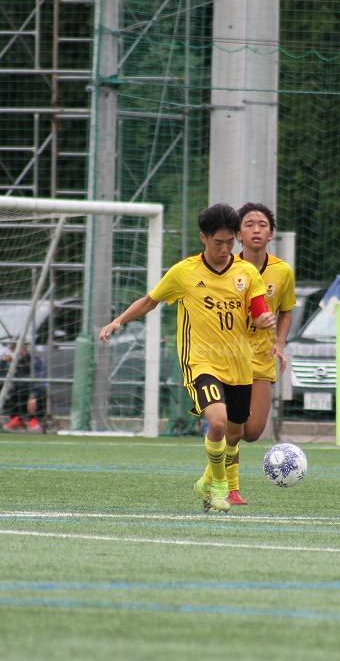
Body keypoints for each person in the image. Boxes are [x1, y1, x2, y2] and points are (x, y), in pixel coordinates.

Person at [99, 203, 275, 512]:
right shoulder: (185, 272)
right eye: (218, 242)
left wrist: (263, 321)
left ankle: (205, 481)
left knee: (234, 434)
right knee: (217, 423)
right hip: (201, 362)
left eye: (229, 242)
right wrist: (118, 321)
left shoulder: (246, 273)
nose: (225, 249)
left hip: (239, 364)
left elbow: (258, 312)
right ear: (203, 238)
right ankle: (218, 489)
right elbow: (150, 300)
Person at [218, 202, 296, 505]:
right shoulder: (227, 268)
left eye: (262, 224)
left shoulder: (282, 271)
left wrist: (280, 343)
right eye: (249, 224)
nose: (256, 229)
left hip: (262, 357)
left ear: (271, 233)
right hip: (229, 357)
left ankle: (221, 467)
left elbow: (286, 310)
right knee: (231, 427)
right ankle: (229, 486)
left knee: (251, 431)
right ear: (238, 234)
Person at [0, 343, 47, 433]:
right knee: (5, 389)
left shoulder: (35, 361)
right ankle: (16, 419)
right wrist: (3, 362)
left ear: (24, 349)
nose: (14, 352)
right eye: (12, 350)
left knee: (34, 392)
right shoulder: (9, 361)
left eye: (16, 349)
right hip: (17, 390)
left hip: (32, 390)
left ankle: (33, 420)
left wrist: (33, 394)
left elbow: (40, 379)